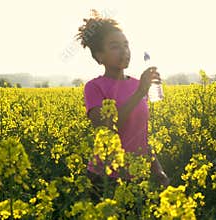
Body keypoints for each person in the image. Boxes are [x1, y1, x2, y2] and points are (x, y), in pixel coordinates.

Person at [76, 10, 170, 189]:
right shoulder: (94, 87)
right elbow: (106, 128)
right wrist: (140, 93)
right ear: (99, 56)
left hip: (136, 176)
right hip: (104, 178)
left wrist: (158, 169)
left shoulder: (138, 85)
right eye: (115, 46)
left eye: (126, 45)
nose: (124, 51)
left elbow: (140, 135)